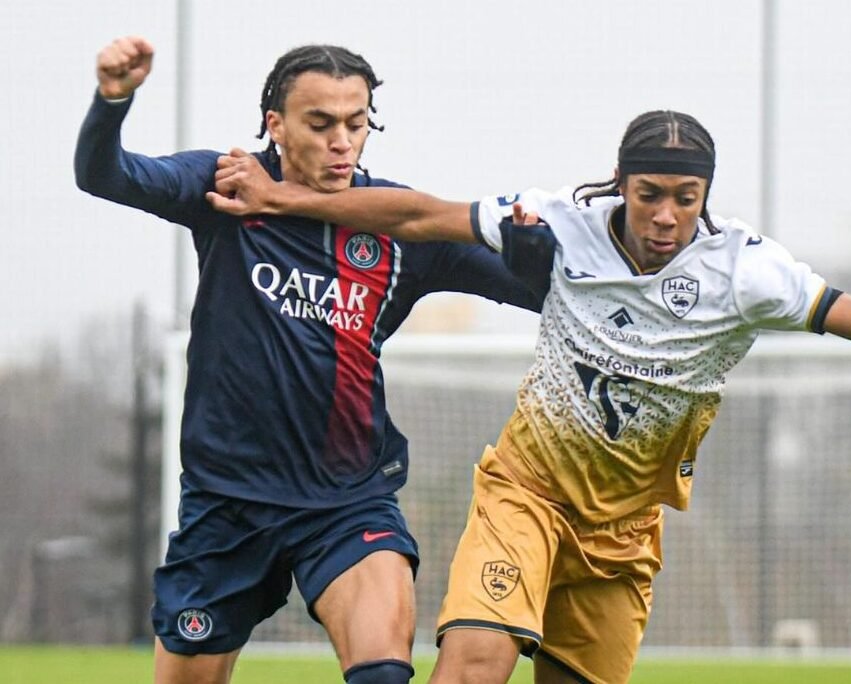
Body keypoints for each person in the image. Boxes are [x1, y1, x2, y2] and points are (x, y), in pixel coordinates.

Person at [207, 109, 851, 684]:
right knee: (473, 667)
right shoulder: (561, 222)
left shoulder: (747, 273)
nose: (664, 216)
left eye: (684, 198)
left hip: (621, 537)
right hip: (523, 498)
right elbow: (420, 216)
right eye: (649, 194)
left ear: (704, 198)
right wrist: (287, 198)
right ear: (621, 185)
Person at [74, 36, 544, 684]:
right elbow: (108, 175)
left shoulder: (397, 225)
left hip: (345, 503)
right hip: (226, 504)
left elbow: (535, 292)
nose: (341, 142)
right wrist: (113, 100)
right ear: (276, 123)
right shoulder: (224, 187)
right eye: (320, 124)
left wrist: (546, 249)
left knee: (383, 673)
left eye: (356, 124)